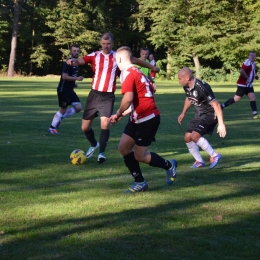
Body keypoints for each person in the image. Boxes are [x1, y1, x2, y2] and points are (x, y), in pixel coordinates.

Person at [67, 33, 159, 163]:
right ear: (100, 43)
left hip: (108, 96)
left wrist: (153, 67)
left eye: (108, 43)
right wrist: (73, 62)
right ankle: (94, 144)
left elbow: (137, 61)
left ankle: (102, 153)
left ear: (113, 44)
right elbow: (81, 61)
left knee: (105, 124)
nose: (106, 46)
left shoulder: (118, 56)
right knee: (85, 127)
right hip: (94, 95)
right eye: (104, 44)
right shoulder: (95, 55)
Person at [110, 46, 177, 193]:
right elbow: (141, 99)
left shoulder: (128, 73)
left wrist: (119, 112)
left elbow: (128, 99)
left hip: (147, 119)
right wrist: (120, 114)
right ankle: (140, 182)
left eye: (116, 60)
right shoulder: (136, 71)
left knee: (140, 155)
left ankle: (169, 165)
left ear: (120, 59)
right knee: (123, 147)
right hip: (137, 117)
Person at [177, 67, 226, 169]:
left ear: (188, 77)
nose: (178, 81)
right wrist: (183, 113)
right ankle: (199, 161)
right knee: (187, 138)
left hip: (210, 114)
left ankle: (214, 155)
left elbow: (216, 105)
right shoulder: (186, 86)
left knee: (195, 136)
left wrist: (221, 124)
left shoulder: (202, 87)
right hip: (199, 114)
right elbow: (189, 97)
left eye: (180, 79)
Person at [48, 44, 83, 134]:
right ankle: (52, 128)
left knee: (78, 107)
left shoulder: (76, 63)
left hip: (70, 90)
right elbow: (64, 76)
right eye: (74, 51)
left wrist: (73, 84)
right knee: (62, 109)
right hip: (63, 91)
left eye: (77, 51)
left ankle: (60, 118)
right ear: (71, 52)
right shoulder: (68, 63)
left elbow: (69, 77)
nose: (76, 52)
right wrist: (77, 78)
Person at [221, 51, 259, 118]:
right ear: (248, 56)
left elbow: (251, 71)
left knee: (252, 97)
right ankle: (222, 106)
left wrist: (255, 76)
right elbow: (241, 70)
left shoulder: (253, 63)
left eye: (254, 56)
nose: (253, 57)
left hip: (249, 85)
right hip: (243, 85)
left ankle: (255, 114)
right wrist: (247, 78)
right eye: (251, 55)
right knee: (236, 99)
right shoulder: (247, 63)